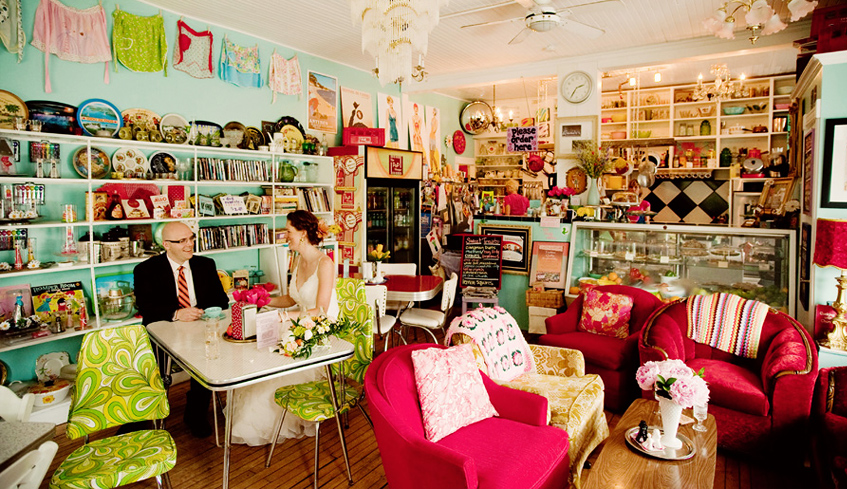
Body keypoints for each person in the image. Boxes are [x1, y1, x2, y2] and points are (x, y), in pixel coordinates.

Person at [230, 210, 339, 445]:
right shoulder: (299, 260)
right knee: (260, 356)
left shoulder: (325, 263)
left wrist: (283, 317)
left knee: (273, 361)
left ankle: (267, 421)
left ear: (302, 233)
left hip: (319, 327)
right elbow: (292, 299)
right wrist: (265, 301)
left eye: (288, 231)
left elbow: (320, 309)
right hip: (297, 320)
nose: (285, 235)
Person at [134, 221, 229, 438]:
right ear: (166, 245)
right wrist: (177, 313)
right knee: (153, 371)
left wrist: (202, 311)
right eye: (182, 241)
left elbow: (221, 301)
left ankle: (195, 415)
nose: (190, 245)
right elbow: (145, 307)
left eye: (191, 238)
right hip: (164, 328)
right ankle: (143, 417)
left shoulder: (205, 264)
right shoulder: (146, 270)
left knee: (208, 362)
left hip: (200, 326)